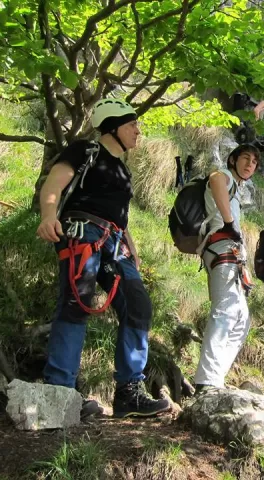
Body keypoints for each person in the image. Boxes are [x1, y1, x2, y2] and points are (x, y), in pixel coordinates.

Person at [38, 98, 170, 418]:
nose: (138, 131)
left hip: (115, 242)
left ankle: (129, 393)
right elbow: (55, 182)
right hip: (82, 230)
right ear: (113, 126)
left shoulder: (123, 170)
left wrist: (131, 248)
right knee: (76, 302)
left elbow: (119, 216)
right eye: (132, 124)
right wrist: (48, 215)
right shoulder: (85, 150)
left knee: (137, 305)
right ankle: (60, 389)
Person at [193, 144, 260, 393]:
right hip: (222, 248)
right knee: (225, 312)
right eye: (245, 158)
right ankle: (207, 381)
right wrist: (229, 223)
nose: (250, 164)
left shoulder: (235, 188)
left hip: (231, 255)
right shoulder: (226, 176)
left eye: (254, 162)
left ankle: (214, 377)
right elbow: (215, 179)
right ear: (233, 160)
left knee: (241, 319)